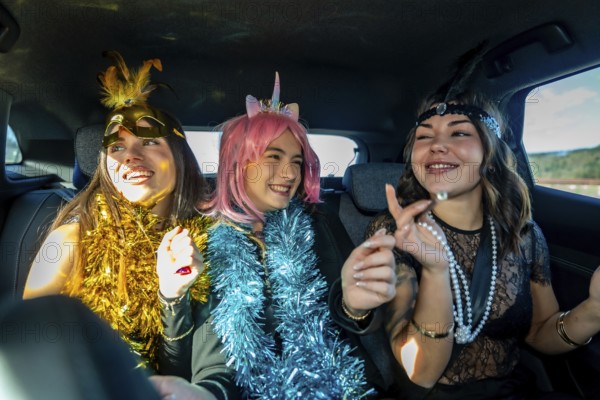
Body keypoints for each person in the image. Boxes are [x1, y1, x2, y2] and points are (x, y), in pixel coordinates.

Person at [337, 90, 600, 399]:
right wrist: (437, 271)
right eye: (424, 137)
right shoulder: (395, 232)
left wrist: (594, 310)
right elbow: (420, 372)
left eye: (459, 132)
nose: (437, 145)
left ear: (490, 155)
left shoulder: (524, 234)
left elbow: (541, 331)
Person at [153, 72, 398, 399]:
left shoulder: (315, 222)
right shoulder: (196, 236)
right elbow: (203, 359)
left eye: (297, 162)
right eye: (274, 158)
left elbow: (343, 323)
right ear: (239, 162)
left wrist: (354, 307)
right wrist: (172, 297)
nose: (290, 174)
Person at [22, 52, 234, 399]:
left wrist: (173, 295)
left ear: (180, 156)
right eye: (117, 146)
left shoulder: (214, 243)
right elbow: (26, 343)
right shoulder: (71, 237)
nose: (130, 156)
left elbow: (196, 367)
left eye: (149, 141)